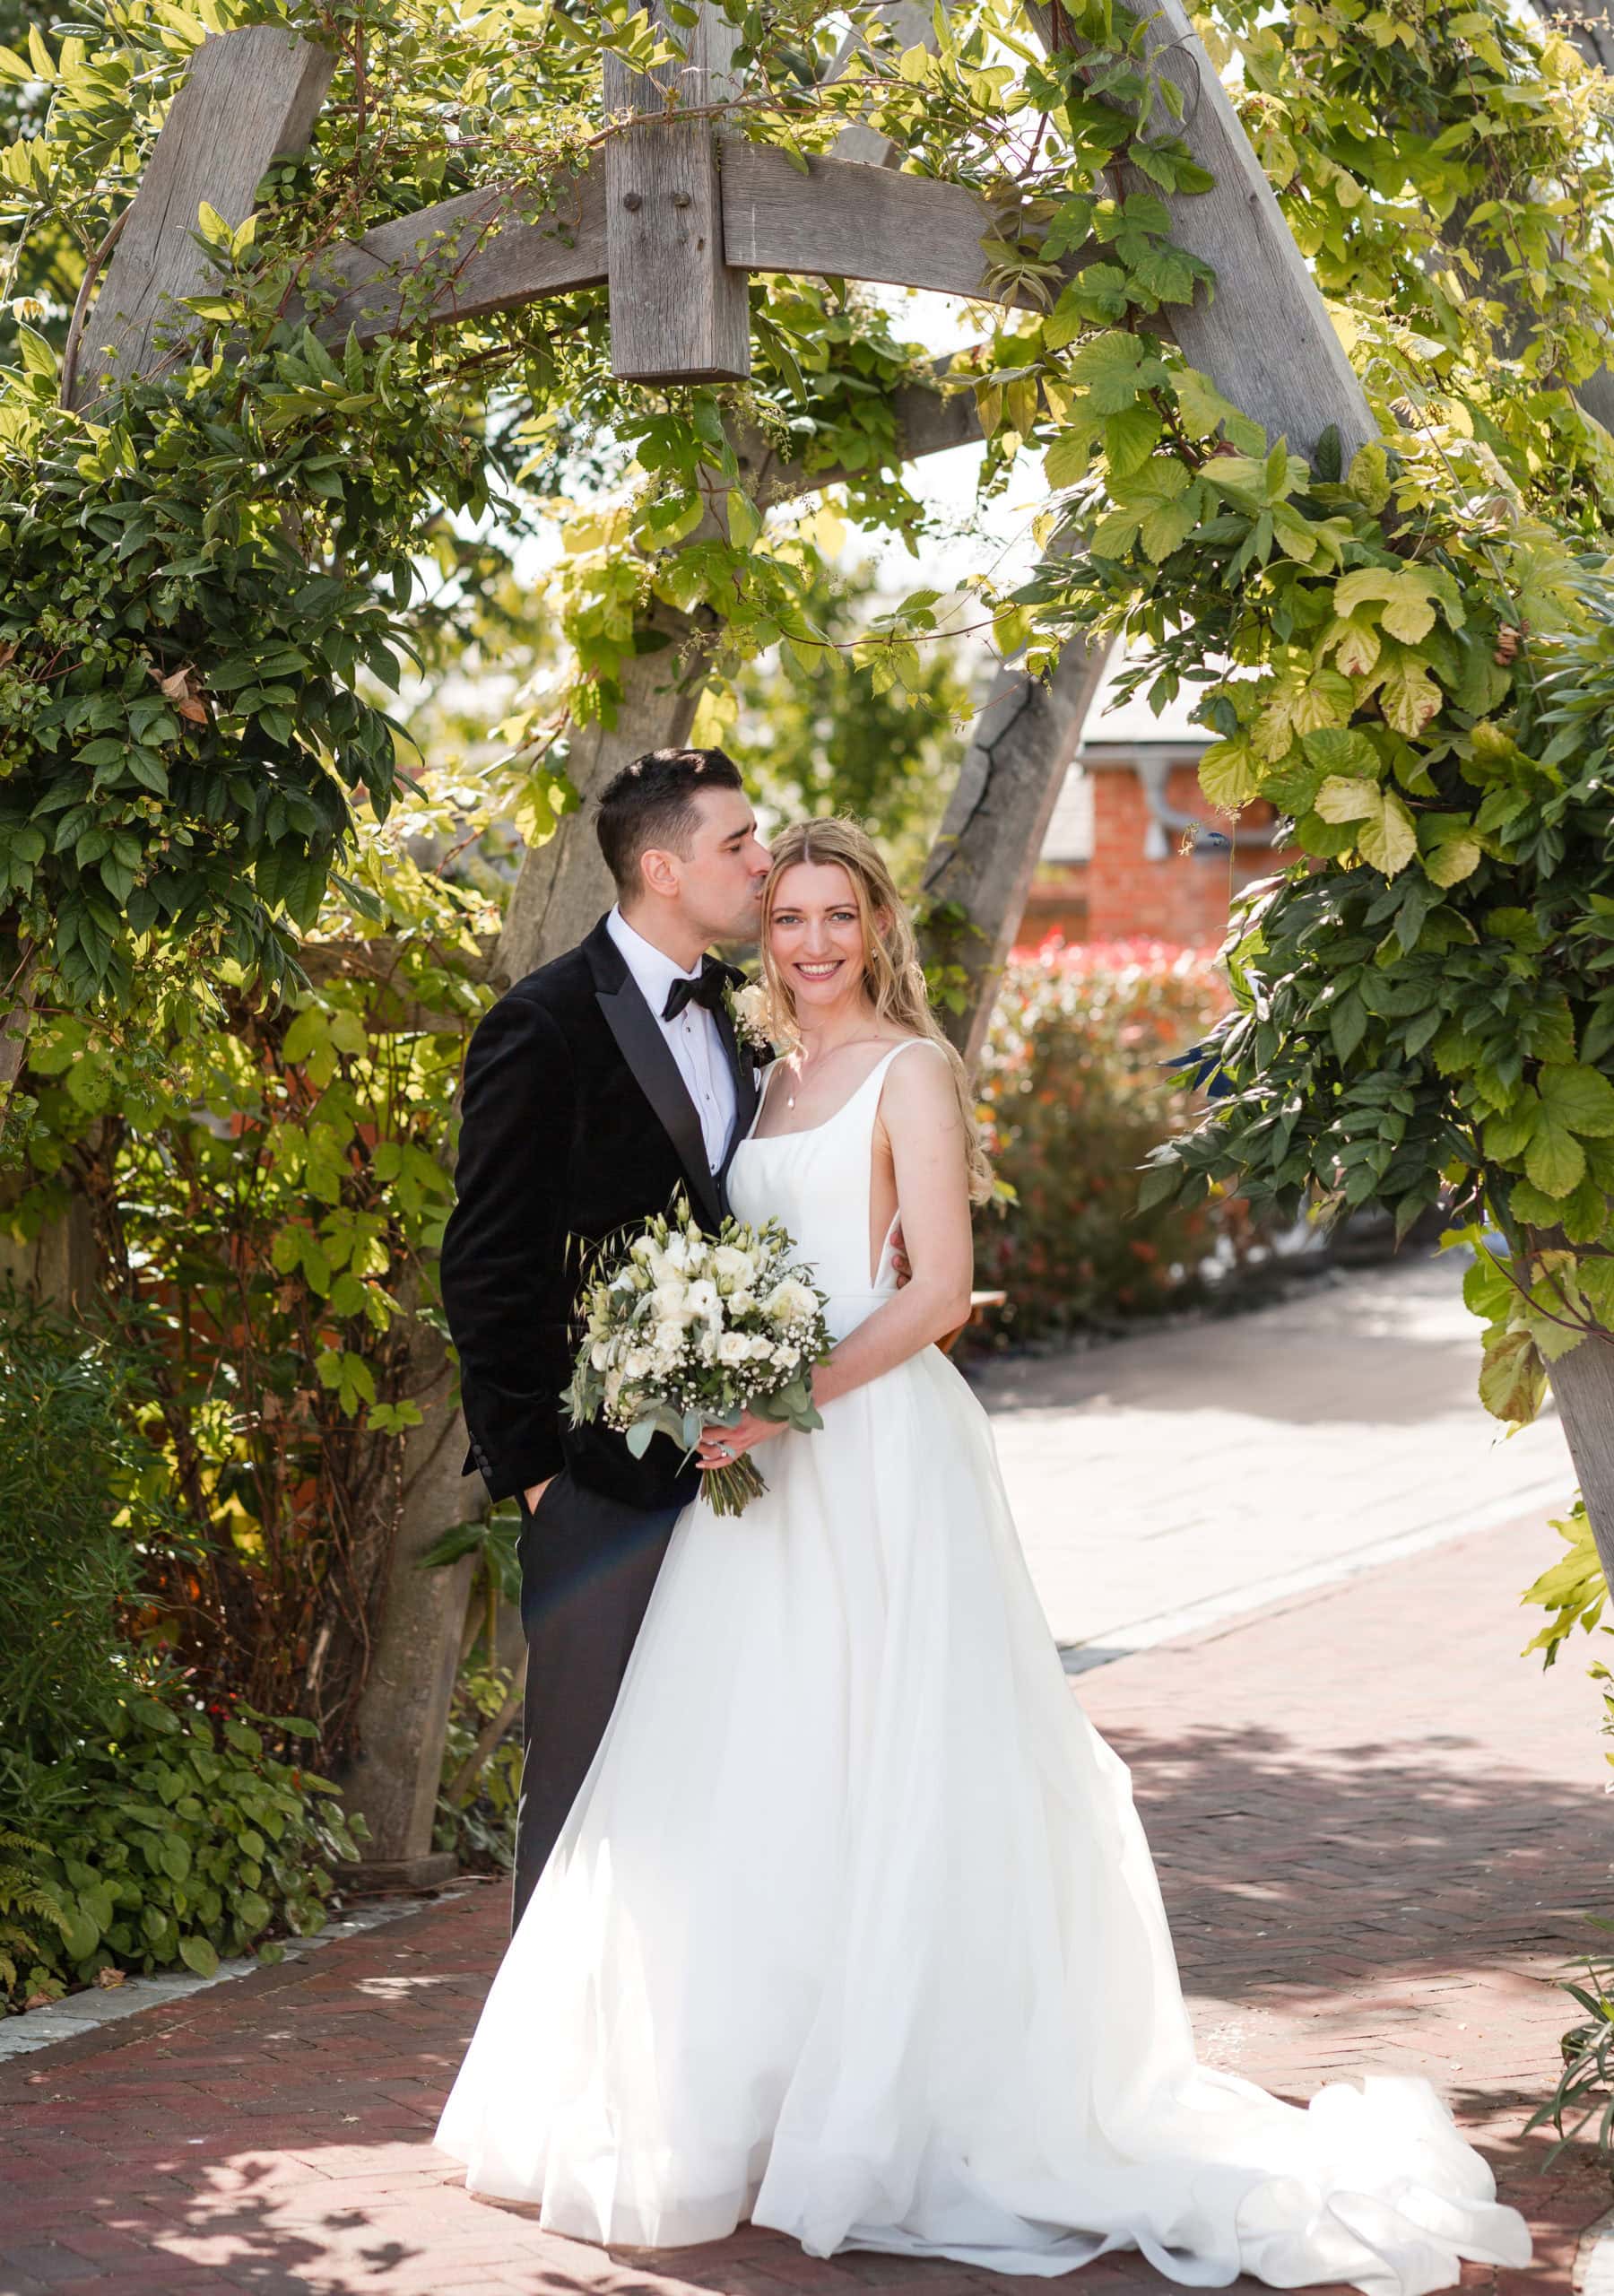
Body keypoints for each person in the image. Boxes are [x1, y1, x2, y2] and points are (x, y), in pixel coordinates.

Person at [436, 819, 1532, 2293]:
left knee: (898, 1768)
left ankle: (906, 2108)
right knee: (762, 1773)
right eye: (792, 917)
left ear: (880, 928)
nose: (813, 942)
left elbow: (940, 1292)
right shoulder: (762, 1082)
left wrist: (783, 1396)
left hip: (874, 1455)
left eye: (840, 915)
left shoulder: (912, 1071)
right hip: (761, 1479)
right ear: (767, 936)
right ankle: (760, 2103)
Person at [438, 745, 771, 1928]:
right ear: (663, 868)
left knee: (722, 1780)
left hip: (744, 1474)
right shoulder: (543, 1023)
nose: (762, 862)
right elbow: (488, 1265)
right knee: (581, 1788)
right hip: (594, 1481)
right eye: (739, 843)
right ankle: (548, 2085)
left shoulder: (744, 1016)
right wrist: (537, 1475)